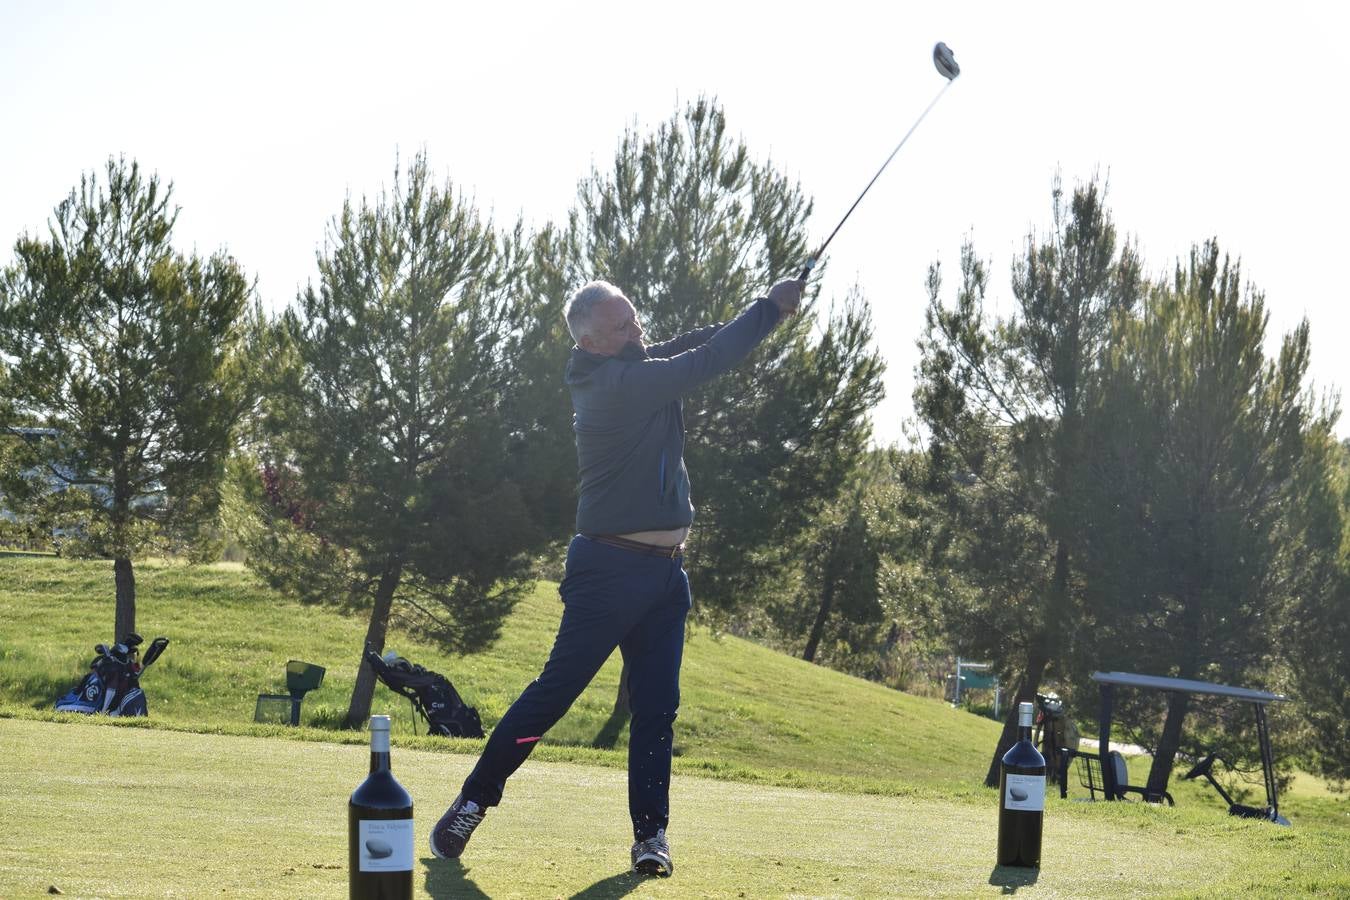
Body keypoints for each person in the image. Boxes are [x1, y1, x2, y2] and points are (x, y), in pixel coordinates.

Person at [429, 275, 804, 876]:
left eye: (635, 319)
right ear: (592, 342)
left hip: (664, 576)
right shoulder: (613, 385)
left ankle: (650, 837)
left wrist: (766, 314)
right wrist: (767, 310)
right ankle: (474, 800)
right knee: (554, 694)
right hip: (608, 571)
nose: (638, 331)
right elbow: (704, 360)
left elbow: (697, 339)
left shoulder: (628, 360)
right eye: (623, 326)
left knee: (657, 708)